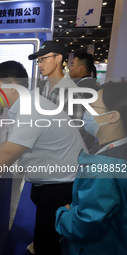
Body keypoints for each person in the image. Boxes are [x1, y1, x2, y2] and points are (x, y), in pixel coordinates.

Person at [0, 61, 86, 255]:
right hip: (55, 179)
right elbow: (13, 143)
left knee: (45, 240)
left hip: (61, 183)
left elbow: (10, 153)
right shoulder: (28, 104)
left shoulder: (30, 108)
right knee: (46, 231)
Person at [55, 81, 127, 255]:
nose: (87, 111)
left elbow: (85, 226)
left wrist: (63, 213)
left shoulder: (102, 169)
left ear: (113, 116)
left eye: (93, 106)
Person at [29, 41, 87, 148]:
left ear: (58, 58)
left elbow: (77, 134)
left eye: (44, 59)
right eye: (39, 60)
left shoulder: (72, 93)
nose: (40, 64)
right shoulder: (47, 86)